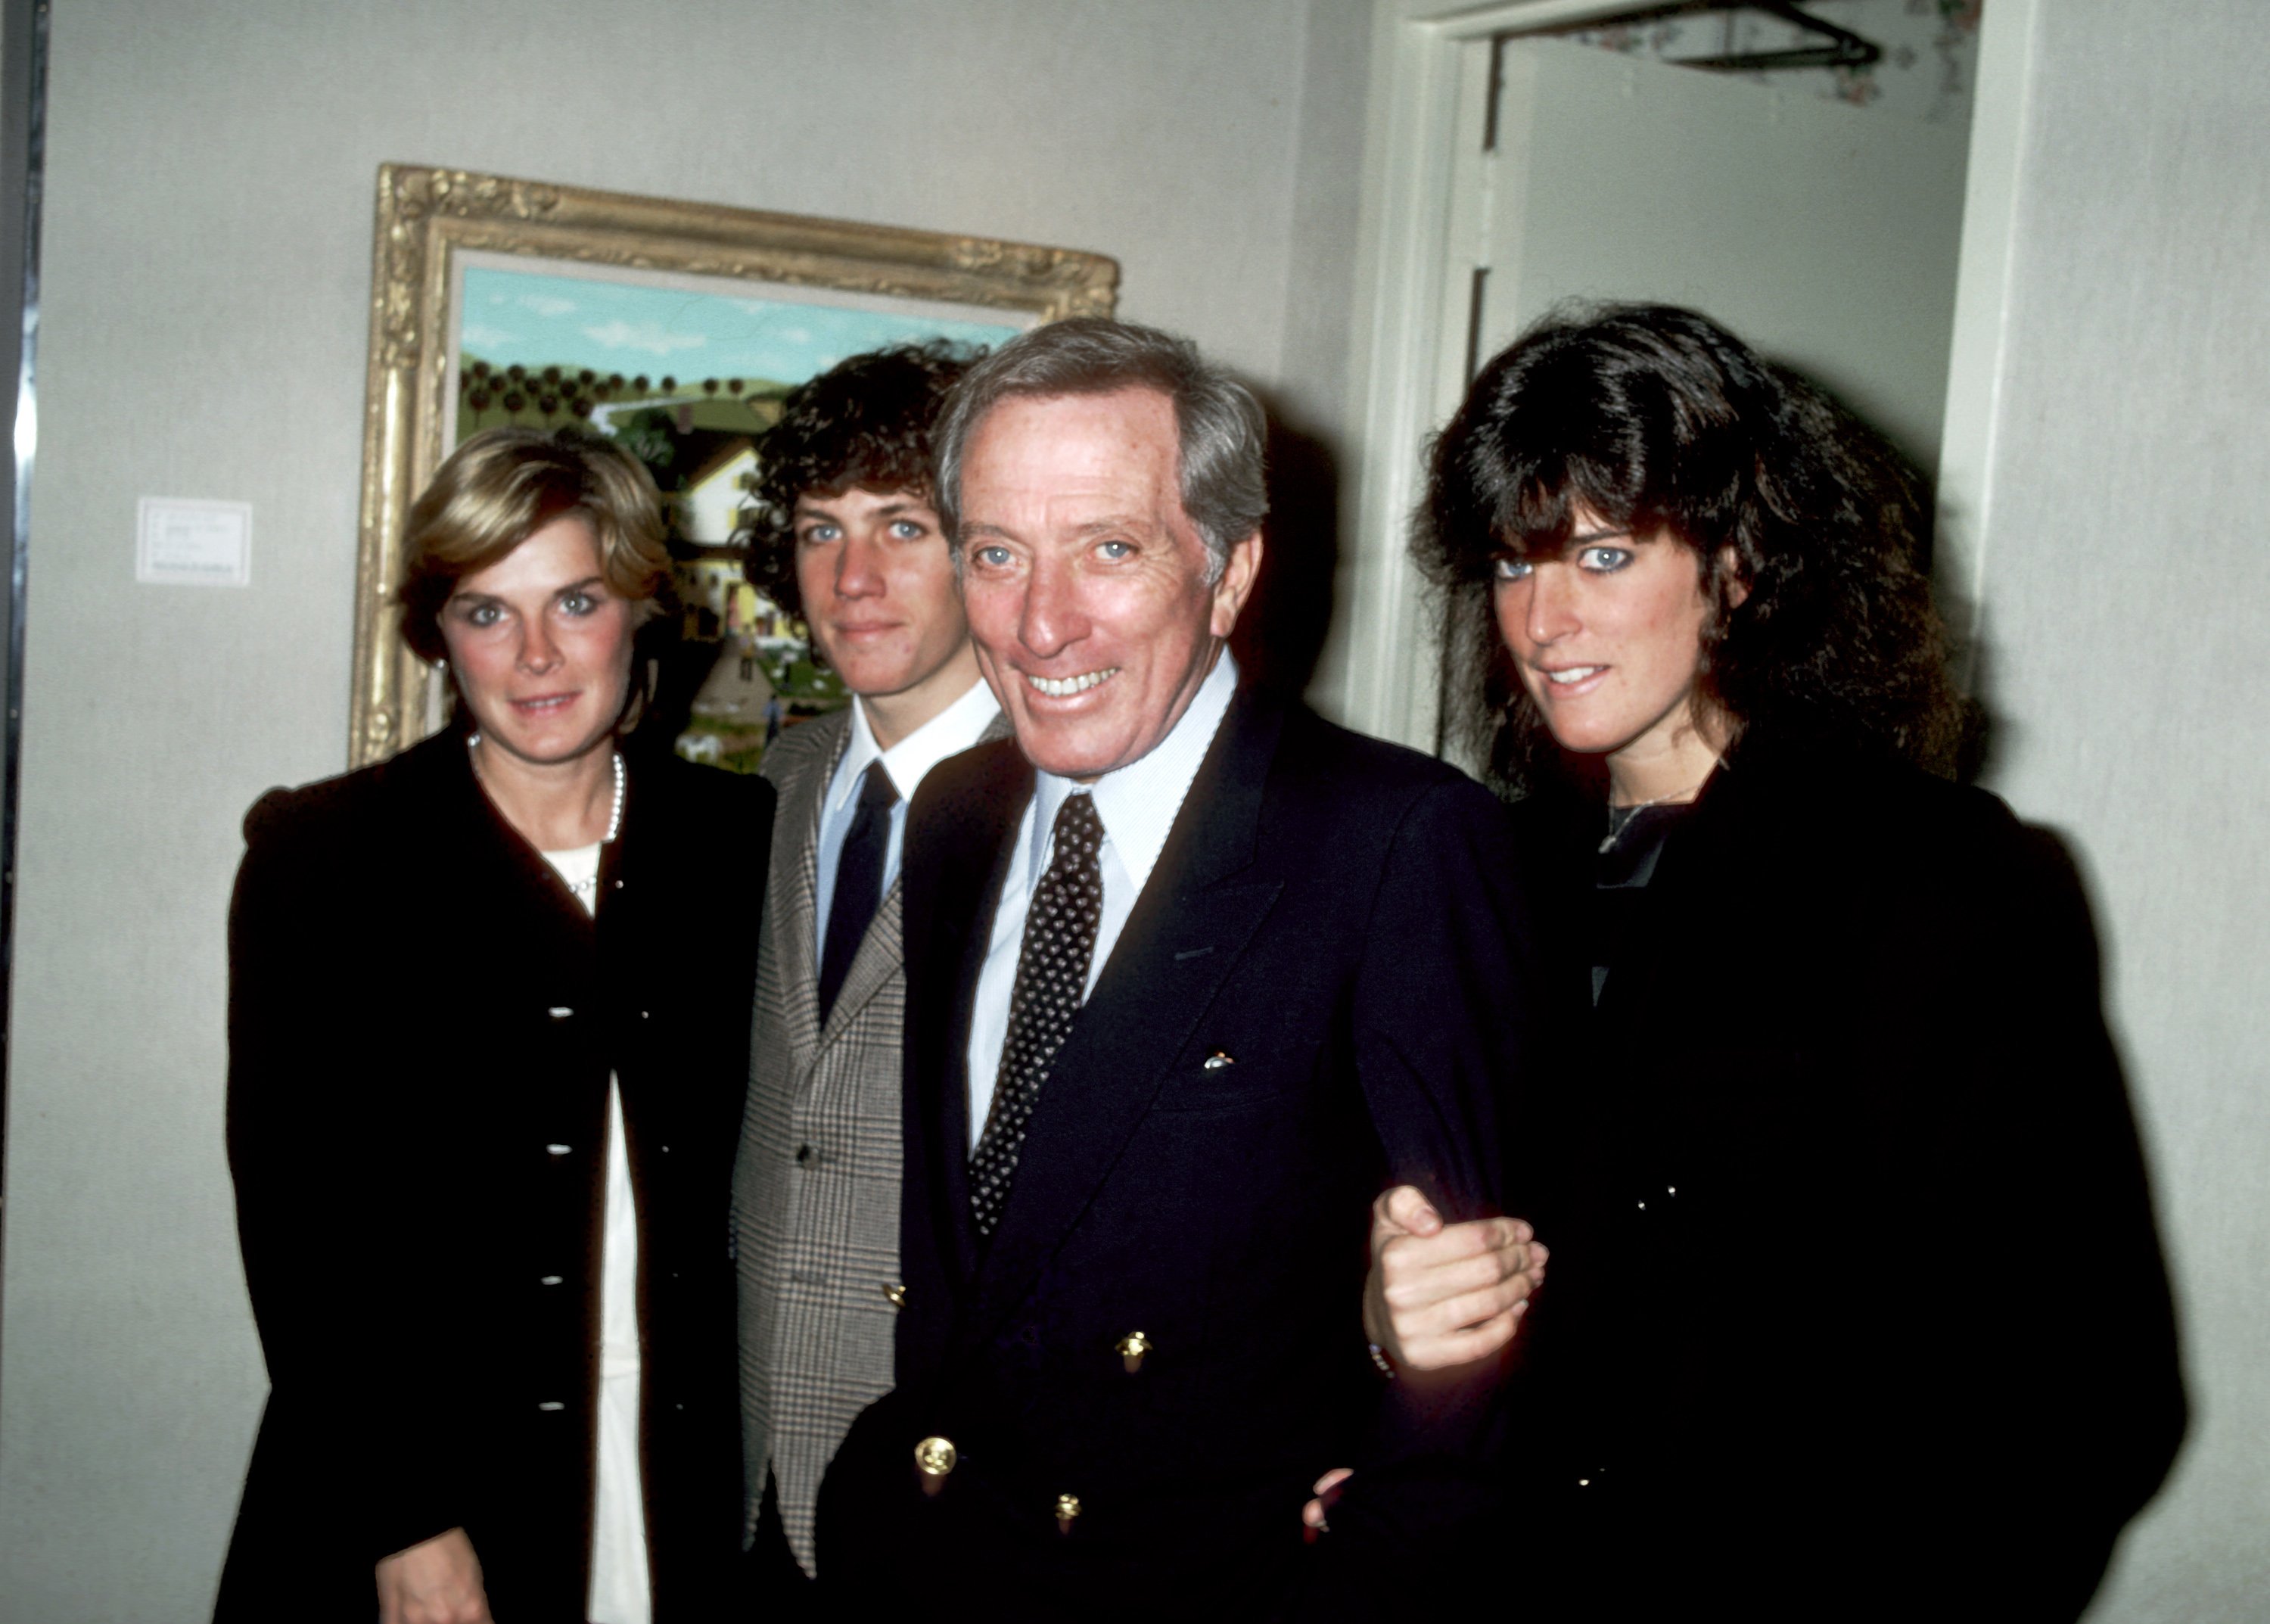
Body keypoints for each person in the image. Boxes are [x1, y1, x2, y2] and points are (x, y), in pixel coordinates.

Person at [1393, 303, 2186, 1619]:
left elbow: (2084, 1394)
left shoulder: (1937, 884)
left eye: (1601, 553)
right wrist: (1387, 1330)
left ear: (1741, 565)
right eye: (1511, 563)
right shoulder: (1479, 867)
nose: (1542, 619)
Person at [813, 318, 1540, 1613]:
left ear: (1228, 568)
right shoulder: (957, 815)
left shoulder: (1395, 845)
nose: (1042, 623)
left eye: (1109, 549)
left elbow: (1467, 1354)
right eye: (997, 554)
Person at [216, 428, 773, 1624]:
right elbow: (300, 1230)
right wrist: (404, 1519)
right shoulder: (324, 860)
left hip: (685, 1474)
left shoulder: (743, 847)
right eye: (485, 611)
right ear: (439, 634)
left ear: (639, 609)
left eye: (575, 600)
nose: (535, 654)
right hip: (421, 1491)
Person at [728, 342, 1006, 1591]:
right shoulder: (780, 783)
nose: (853, 577)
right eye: (818, 530)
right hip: (750, 1465)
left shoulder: (1070, 803)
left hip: (949, 1477)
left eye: (902, 526)